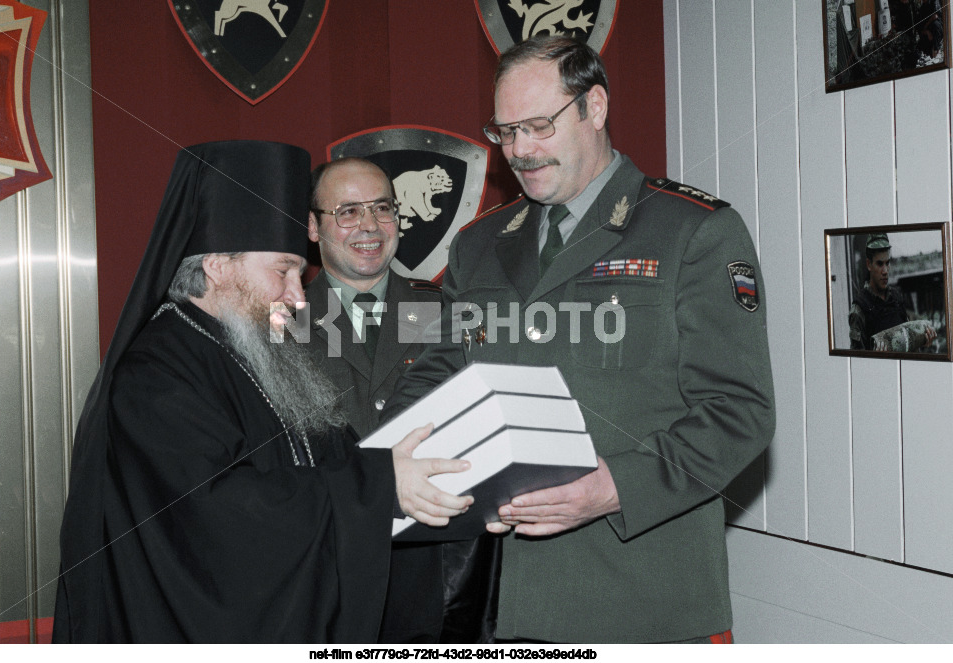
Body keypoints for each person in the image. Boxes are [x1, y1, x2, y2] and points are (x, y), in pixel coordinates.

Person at [384, 35, 776, 643]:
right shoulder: (478, 244)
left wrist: (614, 487)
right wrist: (394, 459)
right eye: (505, 131)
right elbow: (438, 366)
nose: (520, 150)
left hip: (640, 602)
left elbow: (739, 413)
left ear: (595, 107)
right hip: (495, 605)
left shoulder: (690, 232)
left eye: (540, 126)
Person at [52, 140, 471, 643]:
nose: (298, 295)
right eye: (283, 271)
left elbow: (338, 456)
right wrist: (380, 485)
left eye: (299, 272)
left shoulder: (258, 351)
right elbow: (218, 519)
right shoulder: (156, 374)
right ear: (218, 266)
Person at [306, 157, 498, 643]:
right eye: (347, 211)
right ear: (313, 226)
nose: (369, 226)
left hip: (435, 570)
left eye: (382, 209)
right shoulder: (276, 322)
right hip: (324, 567)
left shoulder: (447, 313)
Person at [848, 232, 935, 351]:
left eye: (887, 263)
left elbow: (906, 342)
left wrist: (923, 342)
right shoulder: (859, 309)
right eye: (879, 264)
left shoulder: (896, 297)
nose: (885, 271)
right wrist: (877, 358)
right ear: (869, 264)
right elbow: (856, 360)